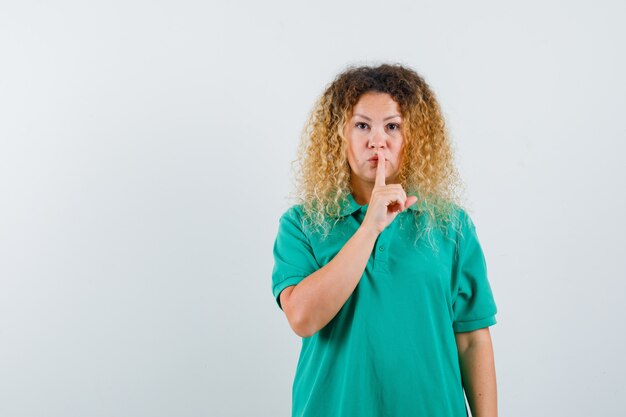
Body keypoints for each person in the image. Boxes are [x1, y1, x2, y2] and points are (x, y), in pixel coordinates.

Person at [271, 63, 498, 417]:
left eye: (392, 126)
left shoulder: (451, 225)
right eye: (362, 125)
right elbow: (302, 318)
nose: (377, 140)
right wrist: (369, 228)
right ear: (339, 136)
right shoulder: (302, 223)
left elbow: (471, 339)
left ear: (413, 138)